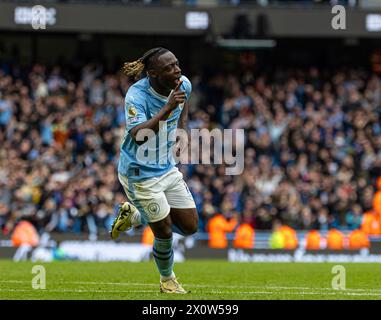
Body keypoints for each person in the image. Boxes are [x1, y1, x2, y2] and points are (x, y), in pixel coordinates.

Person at [110, 48, 198, 294]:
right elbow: (138, 135)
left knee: (190, 226)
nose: (177, 70)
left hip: (166, 167)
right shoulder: (136, 95)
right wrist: (168, 108)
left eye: (177, 64)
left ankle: (135, 216)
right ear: (153, 74)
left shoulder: (183, 84)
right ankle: (167, 280)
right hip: (139, 172)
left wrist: (182, 131)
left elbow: (184, 104)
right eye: (169, 67)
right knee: (164, 230)